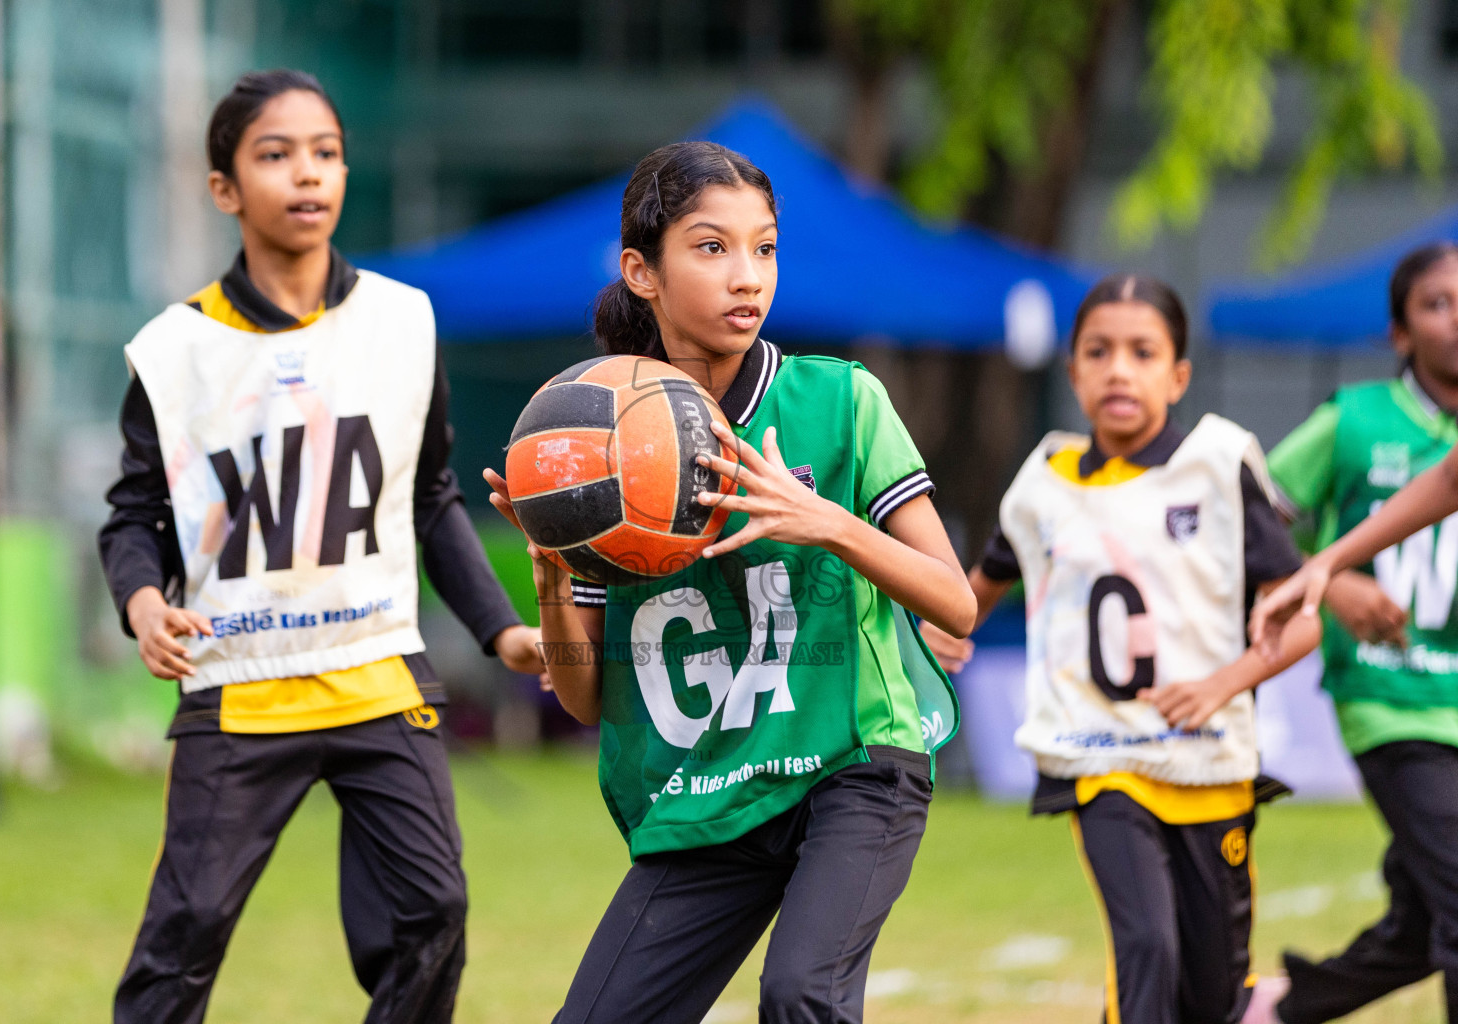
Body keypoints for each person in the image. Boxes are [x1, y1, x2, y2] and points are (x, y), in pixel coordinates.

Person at [484, 140, 976, 1024]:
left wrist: (825, 520)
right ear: (642, 270)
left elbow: (954, 600)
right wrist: (552, 576)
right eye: (712, 248)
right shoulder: (593, 446)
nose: (747, 276)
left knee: (800, 995)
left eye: (765, 248)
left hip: (855, 768)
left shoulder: (841, 402)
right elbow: (585, 699)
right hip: (710, 789)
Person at [98, 69, 542, 1024]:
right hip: (240, 682)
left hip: (376, 670)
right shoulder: (173, 352)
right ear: (224, 188)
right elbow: (133, 514)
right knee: (186, 932)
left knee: (434, 912)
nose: (308, 175)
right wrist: (142, 604)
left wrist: (502, 633)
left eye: (326, 152)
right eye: (275, 154)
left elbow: (430, 498)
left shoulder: (403, 322)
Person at [924, 274, 1321, 1024]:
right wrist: (941, 627)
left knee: (1210, 994)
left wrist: (1223, 682)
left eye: (1142, 352)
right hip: (1098, 756)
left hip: (1209, 760)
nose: (1118, 370)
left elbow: (1303, 620)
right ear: (1071, 372)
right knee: (1147, 948)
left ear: (1178, 376)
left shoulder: (1219, 465)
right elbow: (971, 594)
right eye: (1098, 352)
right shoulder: (1043, 483)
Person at [1252, 243, 1458, 1022]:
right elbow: (1246, 511)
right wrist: (1332, 583)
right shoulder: (1355, 421)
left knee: (1424, 919)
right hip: (1395, 694)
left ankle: (1281, 1009)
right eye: (1438, 303)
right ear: (1400, 333)